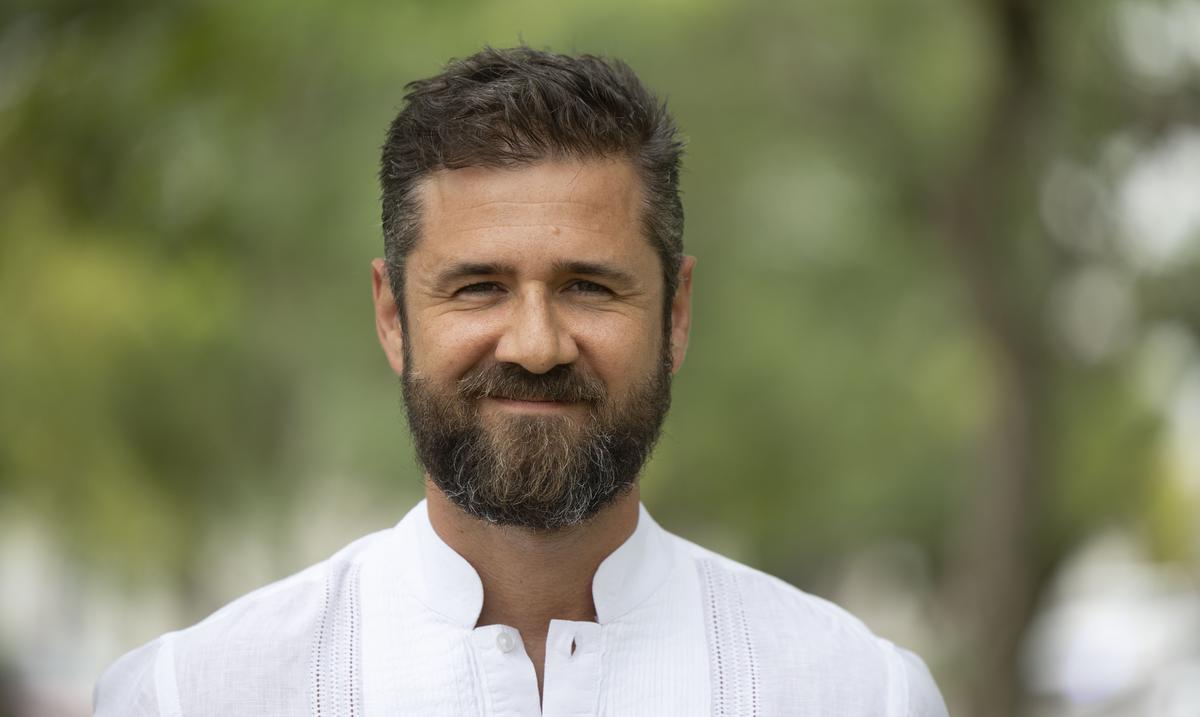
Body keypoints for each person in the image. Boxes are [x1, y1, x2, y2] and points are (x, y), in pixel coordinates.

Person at [94, 46, 949, 716]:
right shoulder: (190, 695)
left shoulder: (858, 693)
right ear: (392, 316)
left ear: (676, 313)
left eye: (588, 285)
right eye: (478, 287)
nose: (536, 344)